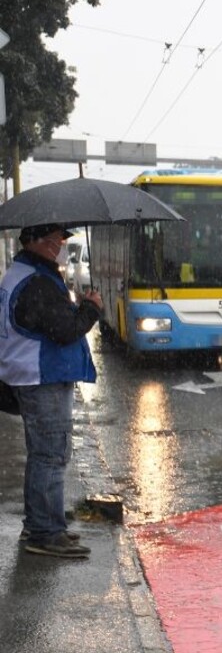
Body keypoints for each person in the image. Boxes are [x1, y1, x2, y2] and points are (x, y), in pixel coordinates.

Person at [0, 224, 101, 558]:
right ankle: (45, 533)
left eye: (62, 239)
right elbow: (65, 329)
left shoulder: (22, 274)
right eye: (54, 240)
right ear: (34, 242)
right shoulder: (37, 283)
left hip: (30, 374)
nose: (60, 245)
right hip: (42, 376)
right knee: (50, 455)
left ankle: (42, 524)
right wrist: (90, 309)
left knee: (44, 454)